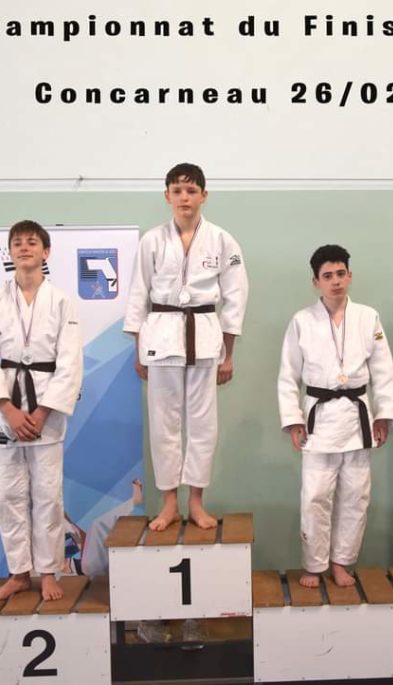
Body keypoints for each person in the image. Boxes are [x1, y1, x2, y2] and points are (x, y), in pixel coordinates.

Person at [124, 163, 249, 532]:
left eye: (192, 191)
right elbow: (138, 294)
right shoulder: (151, 241)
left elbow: (236, 297)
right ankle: (169, 503)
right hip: (161, 339)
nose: (185, 198)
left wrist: (229, 353)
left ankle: (195, 501)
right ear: (167, 196)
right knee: (163, 423)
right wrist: (139, 350)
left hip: (206, 338)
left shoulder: (223, 240)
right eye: (178, 191)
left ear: (204, 195)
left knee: (202, 424)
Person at [278, 245, 393, 588]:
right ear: (315, 282)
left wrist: (384, 415)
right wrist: (293, 420)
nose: (336, 281)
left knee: (355, 496)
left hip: (357, 417)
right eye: (328, 276)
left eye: (341, 274)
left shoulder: (368, 317)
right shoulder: (302, 321)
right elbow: (288, 375)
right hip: (319, 420)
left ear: (350, 276)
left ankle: (341, 562)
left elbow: (384, 370)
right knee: (315, 496)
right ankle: (314, 564)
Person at [0, 220, 84, 601]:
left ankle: (49, 571)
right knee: (9, 495)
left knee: (48, 495)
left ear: (45, 252)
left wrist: (40, 413)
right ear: (10, 252)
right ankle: (19, 572)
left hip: (45, 410)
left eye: (32, 242)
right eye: (17, 243)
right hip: (5, 410)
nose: (24, 248)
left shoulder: (62, 302)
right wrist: (8, 409)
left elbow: (70, 362)